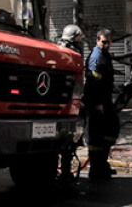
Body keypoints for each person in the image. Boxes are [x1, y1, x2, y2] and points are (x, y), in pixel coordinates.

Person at [85, 29, 120, 181]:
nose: (106, 44)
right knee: (96, 136)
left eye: (108, 41)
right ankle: (96, 169)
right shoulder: (96, 57)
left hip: (105, 99)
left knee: (110, 131)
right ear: (97, 41)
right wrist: (97, 103)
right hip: (97, 102)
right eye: (103, 41)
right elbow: (93, 82)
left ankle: (102, 164)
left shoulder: (105, 56)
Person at [57, 24, 85, 183]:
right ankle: (65, 170)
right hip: (68, 102)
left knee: (67, 138)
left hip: (64, 101)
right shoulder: (71, 53)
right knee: (68, 139)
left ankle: (64, 170)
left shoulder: (59, 49)